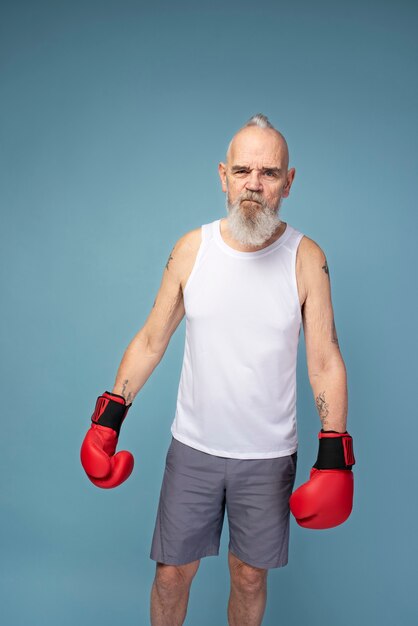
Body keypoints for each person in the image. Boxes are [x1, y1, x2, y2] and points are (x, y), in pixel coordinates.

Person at [81, 113, 355, 626]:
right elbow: (150, 340)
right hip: (194, 449)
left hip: (268, 456)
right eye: (242, 170)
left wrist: (335, 456)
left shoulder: (306, 258)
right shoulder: (192, 250)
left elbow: (324, 359)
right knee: (170, 575)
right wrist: (107, 420)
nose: (254, 184)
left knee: (249, 576)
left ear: (288, 182)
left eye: (269, 173)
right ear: (223, 175)